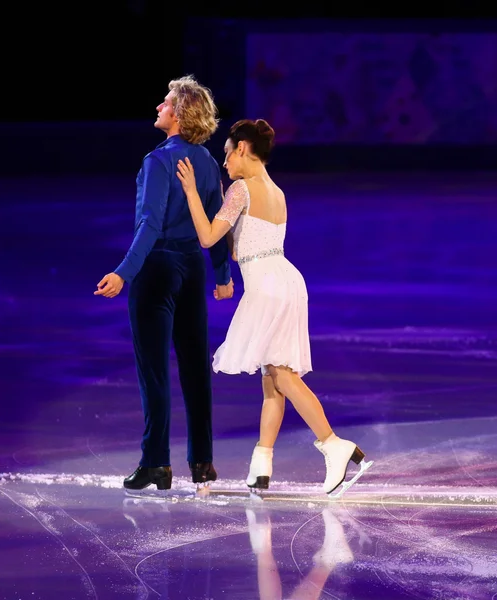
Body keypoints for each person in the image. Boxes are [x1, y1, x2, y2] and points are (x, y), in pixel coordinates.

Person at [176, 118, 373, 497]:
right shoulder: (277, 191)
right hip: (287, 280)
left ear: (244, 149)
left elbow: (207, 238)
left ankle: (333, 444)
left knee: (282, 375)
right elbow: (242, 248)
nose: (225, 162)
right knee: (272, 380)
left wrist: (190, 193)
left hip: (267, 286)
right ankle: (261, 463)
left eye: (228, 153)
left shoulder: (241, 189)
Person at [94, 75, 234, 491]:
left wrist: (124, 271)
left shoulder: (158, 161)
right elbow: (217, 226)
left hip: (156, 269)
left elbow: (149, 225)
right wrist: (223, 275)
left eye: (166, 101)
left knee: (154, 371)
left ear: (179, 113)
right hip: (192, 269)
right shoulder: (208, 163)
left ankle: (156, 463)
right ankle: (202, 463)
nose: (159, 106)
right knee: (195, 369)